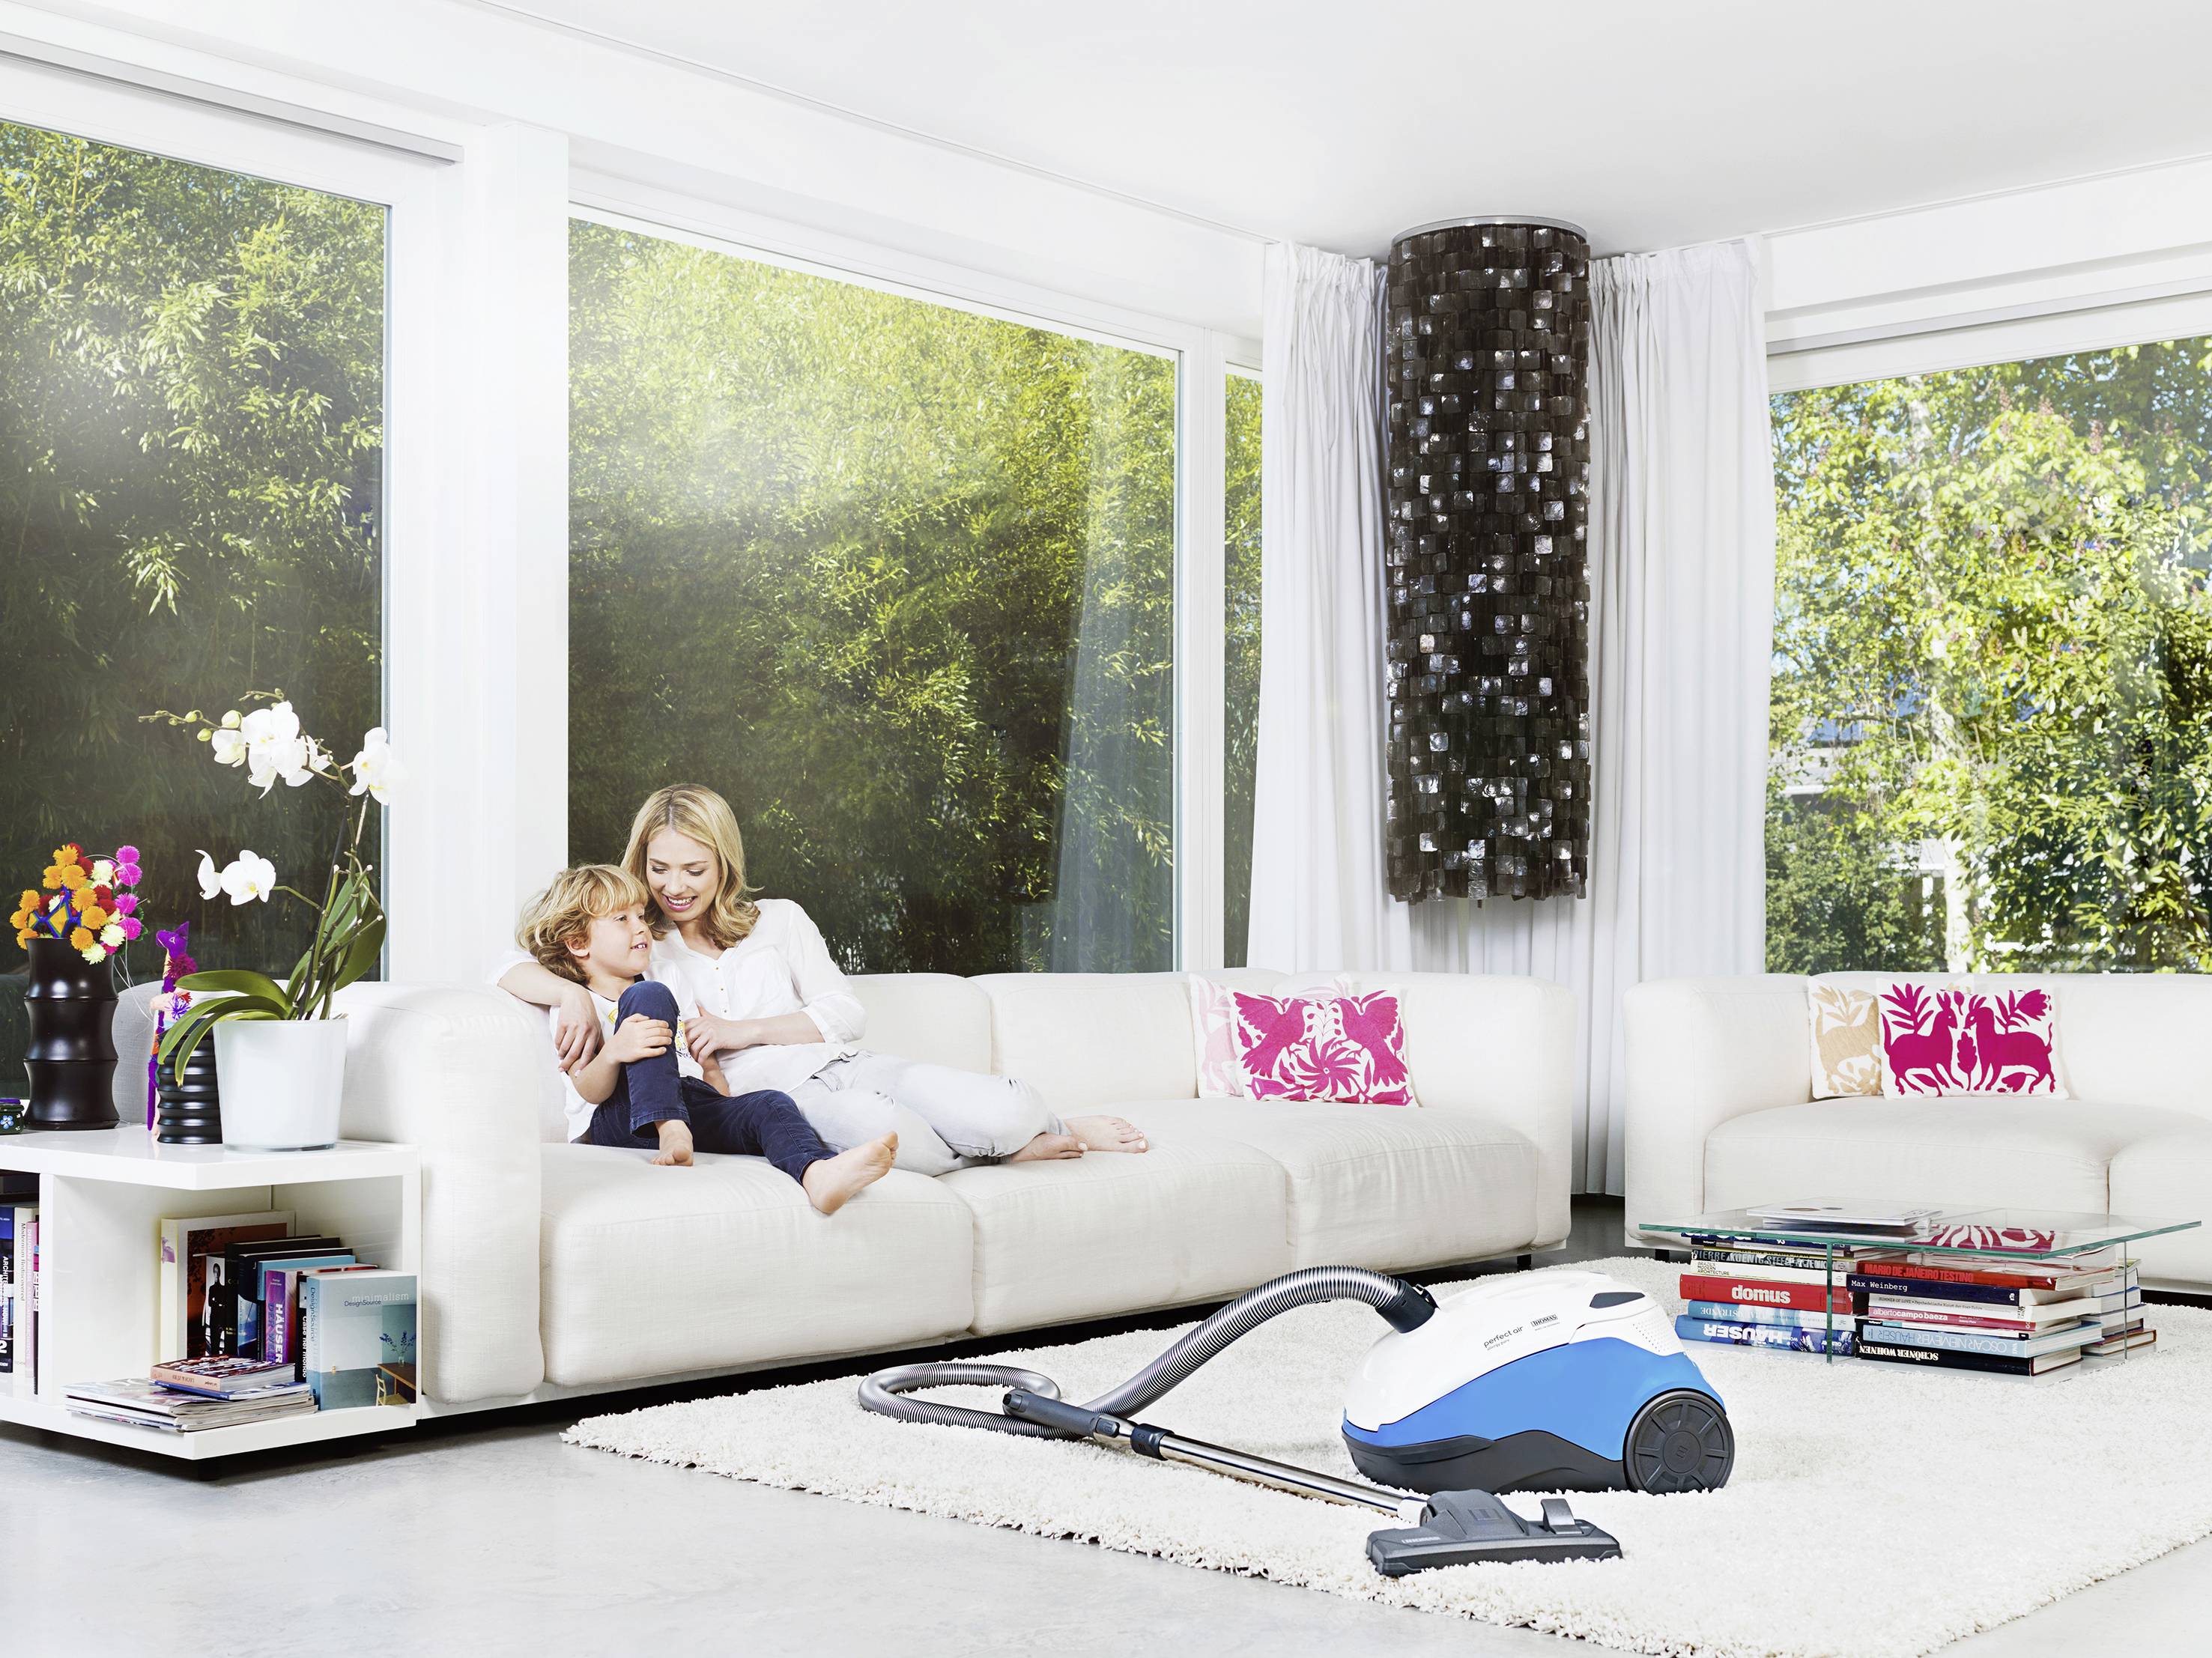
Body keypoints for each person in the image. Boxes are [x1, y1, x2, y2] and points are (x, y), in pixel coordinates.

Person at [498, 785, 1148, 1176]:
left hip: (847, 1063)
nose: (674, 887)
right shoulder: (640, 944)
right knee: (886, 1137)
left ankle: (1037, 1130)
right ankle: (1007, 1153)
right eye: (660, 868)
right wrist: (568, 994)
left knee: (1003, 1105)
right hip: (780, 1098)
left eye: (694, 869)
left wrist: (737, 1029)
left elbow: (843, 1012)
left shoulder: (779, 920)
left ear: (723, 865)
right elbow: (509, 963)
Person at [513, 863, 895, 1214]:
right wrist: (614, 1051)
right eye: (621, 919)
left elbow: (705, 1060)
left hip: (688, 1101)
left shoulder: (668, 974)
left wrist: (730, 1108)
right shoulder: (578, 1007)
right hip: (616, 1121)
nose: (641, 927)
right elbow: (588, 1091)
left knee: (770, 1104)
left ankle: (817, 1175)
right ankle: (668, 1126)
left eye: (641, 916)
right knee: (647, 996)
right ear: (579, 943)